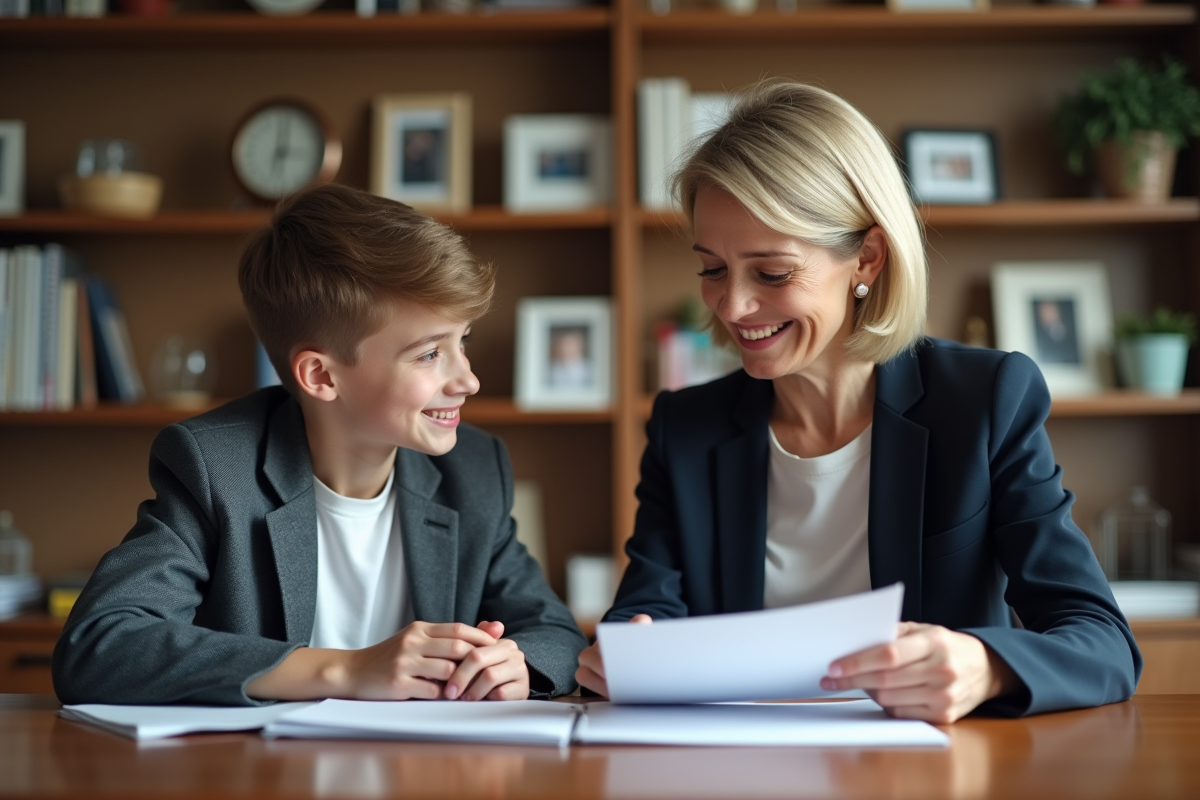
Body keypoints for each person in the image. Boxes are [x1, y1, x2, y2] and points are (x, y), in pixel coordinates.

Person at [576, 82, 1140, 722]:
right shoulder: (686, 427)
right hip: (735, 762)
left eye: (771, 272)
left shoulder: (982, 402)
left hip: (926, 764)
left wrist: (986, 666)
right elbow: (646, 608)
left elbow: (1102, 642)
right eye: (712, 268)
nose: (732, 305)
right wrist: (629, 648)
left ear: (867, 258)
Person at [54, 184, 586, 706]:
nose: (468, 380)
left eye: (462, 341)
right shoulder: (216, 467)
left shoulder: (474, 469)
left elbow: (556, 634)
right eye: (429, 354)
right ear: (321, 376)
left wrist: (514, 664)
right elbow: (99, 646)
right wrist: (347, 669)